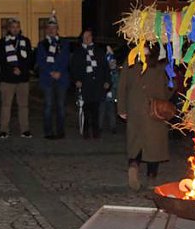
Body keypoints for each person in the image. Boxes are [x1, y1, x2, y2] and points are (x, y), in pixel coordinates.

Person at [117, 43, 174, 190]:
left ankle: (133, 166)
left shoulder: (131, 58)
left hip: (135, 108)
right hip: (155, 109)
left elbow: (122, 85)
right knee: (154, 146)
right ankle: (151, 177)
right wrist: (165, 96)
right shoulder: (161, 61)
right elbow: (169, 87)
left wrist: (122, 108)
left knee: (135, 142)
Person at [35, 13, 70, 139]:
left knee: (61, 106)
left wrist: (59, 71)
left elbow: (66, 59)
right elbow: (41, 61)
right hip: (47, 79)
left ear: (57, 29)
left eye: (53, 28)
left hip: (61, 78)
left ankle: (60, 131)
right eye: (49, 28)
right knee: (48, 106)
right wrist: (51, 72)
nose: (51, 30)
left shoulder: (64, 43)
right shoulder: (42, 44)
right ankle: (48, 131)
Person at [0, 17, 33, 139]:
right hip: (7, 79)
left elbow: (29, 59)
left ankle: (25, 129)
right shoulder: (2, 42)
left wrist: (21, 69)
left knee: (23, 106)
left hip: (22, 79)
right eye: (13, 27)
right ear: (8, 28)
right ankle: (4, 129)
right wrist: (12, 69)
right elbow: (1, 59)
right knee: (6, 106)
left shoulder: (25, 41)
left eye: (17, 27)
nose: (15, 29)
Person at [70, 29, 109, 139]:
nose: (87, 38)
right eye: (85, 36)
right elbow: (73, 68)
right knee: (86, 110)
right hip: (85, 84)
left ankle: (96, 131)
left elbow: (105, 67)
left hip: (97, 84)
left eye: (89, 36)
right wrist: (76, 80)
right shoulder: (78, 52)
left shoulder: (99, 51)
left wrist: (107, 81)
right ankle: (86, 131)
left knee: (96, 109)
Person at [99, 45, 120, 135]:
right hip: (103, 96)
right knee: (101, 111)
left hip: (111, 96)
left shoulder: (115, 73)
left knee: (111, 112)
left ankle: (113, 127)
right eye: (110, 62)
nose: (112, 64)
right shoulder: (103, 71)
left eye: (113, 62)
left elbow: (116, 83)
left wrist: (113, 90)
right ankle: (99, 126)